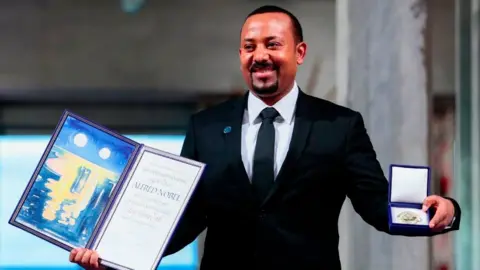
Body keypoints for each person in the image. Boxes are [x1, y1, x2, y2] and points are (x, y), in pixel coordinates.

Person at [70, 5, 461, 270]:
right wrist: (113, 254)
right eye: (249, 47)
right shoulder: (205, 127)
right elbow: (185, 219)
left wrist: (443, 210)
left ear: (299, 52)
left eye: (273, 44)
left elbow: (377, 205)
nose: (260, 56)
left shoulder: (340, 126)